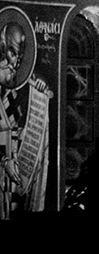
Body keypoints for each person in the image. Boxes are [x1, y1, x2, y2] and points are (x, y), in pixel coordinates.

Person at [0, 22, 50, 219]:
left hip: (15, 175)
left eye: (19, 57)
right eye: (12, 53)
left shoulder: (17, 90)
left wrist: (40, 95)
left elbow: (17, 127)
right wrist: (4, 161)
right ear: (2, 47)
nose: (15, 63)